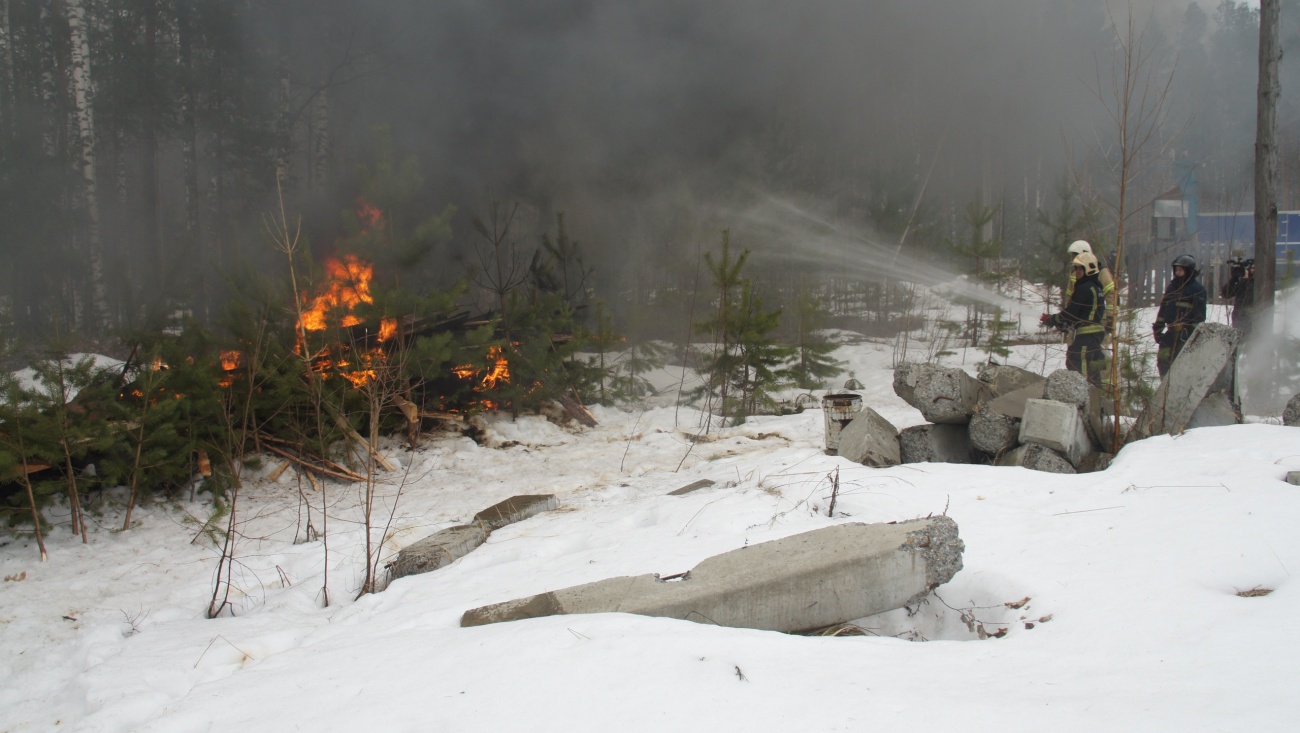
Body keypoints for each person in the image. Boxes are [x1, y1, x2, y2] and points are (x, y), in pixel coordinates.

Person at [1041, 251, 1108, 386]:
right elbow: (1083, 312)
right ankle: (1097, 397)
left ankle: (1083, 398)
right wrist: (1066, 323)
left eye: (1079, 269)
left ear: (1089, 269)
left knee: (1078, 366)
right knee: (1094, 373)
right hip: (1095, 336)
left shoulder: (1084, 288)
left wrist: (1053, 319)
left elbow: (1071, 312)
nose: (1076, 272)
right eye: (1076, 269)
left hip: (1086, 338)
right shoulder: (1097, 288)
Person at [1152, 254, 1207, 376]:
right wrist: (1158, 327)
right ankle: (1164, 385)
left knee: (1181, 366)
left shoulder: (1197, 289)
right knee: (1163, 362)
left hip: (1185, 335)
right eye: (1176, 270)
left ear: (1188, 271)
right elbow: (1163, 309)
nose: (1177, 273)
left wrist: (1190, 334)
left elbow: (1199, 317)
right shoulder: (1172, 287)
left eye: (1181, 270)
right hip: (1170, 334)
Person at [1063, 240, 1116, 333]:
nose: (1074, 258)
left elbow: (1111, 295)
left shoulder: (1101, 272)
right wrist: (1067, 317)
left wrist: (1110, 318)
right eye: (1073, 256)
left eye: (1076, 255)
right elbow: (1069, 297)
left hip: (1098, 322)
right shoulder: (1075, 274)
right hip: (1077, 322)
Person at [1220, 256, 1255, 338]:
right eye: (1251, 268)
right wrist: (1234, 279)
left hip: (1252, 319)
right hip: (1239, 318)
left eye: (1254, 268)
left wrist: (1247, 280)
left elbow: (1250, 296)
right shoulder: (1243, 282)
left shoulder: (1260, 282)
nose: (1252, 270)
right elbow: (1226, 294)